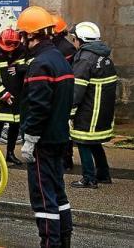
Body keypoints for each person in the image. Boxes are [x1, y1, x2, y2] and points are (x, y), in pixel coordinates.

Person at [17, 6, 73, 248]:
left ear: (30, 35)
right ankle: (64, 239)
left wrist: (30, 138)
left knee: (43, 196)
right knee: (59, 194)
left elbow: (39, 106)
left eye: (22, 34)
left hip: (43, 142)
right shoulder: (59, 59)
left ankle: (50, 242)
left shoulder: (40, 64)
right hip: (59, 137)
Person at [69, 22, 118, 189]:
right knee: (95, 142)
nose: (73, 42)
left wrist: (70, 111)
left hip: (88, 111)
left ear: (81, 40)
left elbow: (77, 91)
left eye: (74, 39)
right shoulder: (104, 58)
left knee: (83, 143)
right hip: (102, 111)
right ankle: (104, 174)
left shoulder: (84, 59)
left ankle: (89, 178)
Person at [0, 28, 26, 166]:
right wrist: (3, 94)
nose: (10, 50)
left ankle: (10, 154)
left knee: (15, 125)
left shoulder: (22, 50)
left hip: (18, 95)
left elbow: (32, 64)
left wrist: (20, 68)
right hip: (0, 97)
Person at [52, 14, 77, 170]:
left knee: (63, 127)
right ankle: (65, 159)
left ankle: (65, 159)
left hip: (61, 92)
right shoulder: (66, 46)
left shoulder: (63, 48)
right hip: (65, 90)